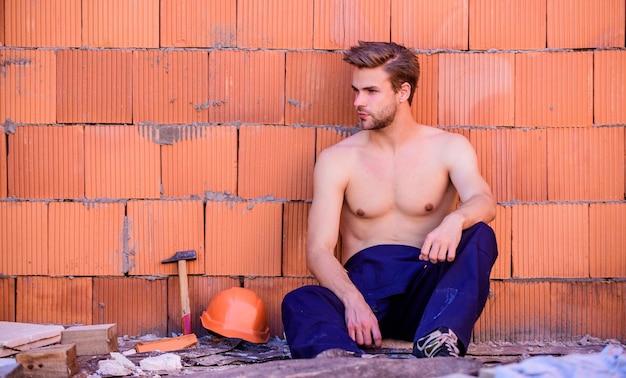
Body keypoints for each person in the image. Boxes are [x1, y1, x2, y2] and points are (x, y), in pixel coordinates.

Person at [281, 41, 498, 359]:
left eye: (371, 91)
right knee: (301, 301)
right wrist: (353, 302)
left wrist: (456, 219)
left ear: (403, 92)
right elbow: (318, 251)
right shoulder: (337, 160)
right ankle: (337, 361)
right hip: (363, 289)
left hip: (426, 291)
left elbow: (484, 200)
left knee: (479, 234)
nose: (358, 101)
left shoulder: (449, 148)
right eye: (356, 91)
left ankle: (438, 341)